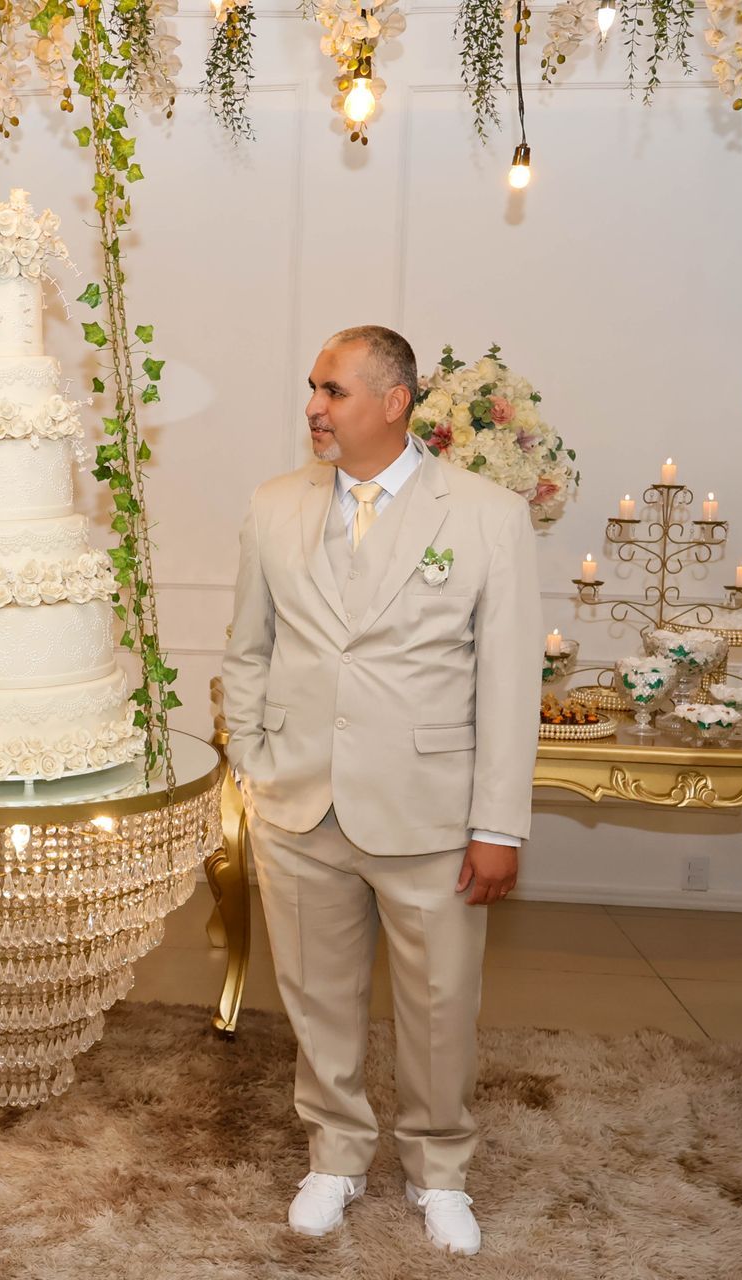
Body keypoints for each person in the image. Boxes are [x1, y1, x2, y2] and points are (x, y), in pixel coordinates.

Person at [219, 325, 541, 1255]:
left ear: (395, 402)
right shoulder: (275, 505)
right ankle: (335, 1155)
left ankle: (440, 1170)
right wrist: (254, 762)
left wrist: (499, 826)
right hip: (298, 801)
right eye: (313, 389)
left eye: (334, 391)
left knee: (440, 1004)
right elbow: (248, 648)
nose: (314, 407)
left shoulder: (485, 516)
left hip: (430, 811)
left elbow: (509, 682)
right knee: (317, 998)